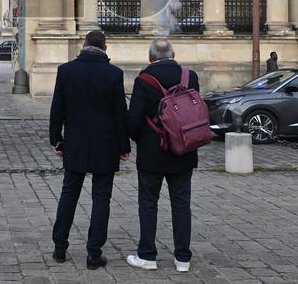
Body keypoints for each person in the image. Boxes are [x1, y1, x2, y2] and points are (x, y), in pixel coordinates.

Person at [49, 30, 130, 270]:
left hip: (74, 143)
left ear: (83, 45)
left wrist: (57, 140)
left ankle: (60, 248)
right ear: (105, 48)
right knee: (101, 198)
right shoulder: (114, 73)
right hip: (105, 145)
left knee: (69, 194)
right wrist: (124, 146)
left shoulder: (66, 71)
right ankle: (94, 254)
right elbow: (120, 115)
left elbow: (57, 109)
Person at [125, 37, 199, 274]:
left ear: (150, 57)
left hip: (152, 153)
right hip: (184, 150)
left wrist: (142, 140)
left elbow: (133, 121)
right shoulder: (190, 77)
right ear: (174, 56)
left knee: (148, 203)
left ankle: (147, 255)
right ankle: (182, 258)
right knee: (181, 203)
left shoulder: (144, 80)